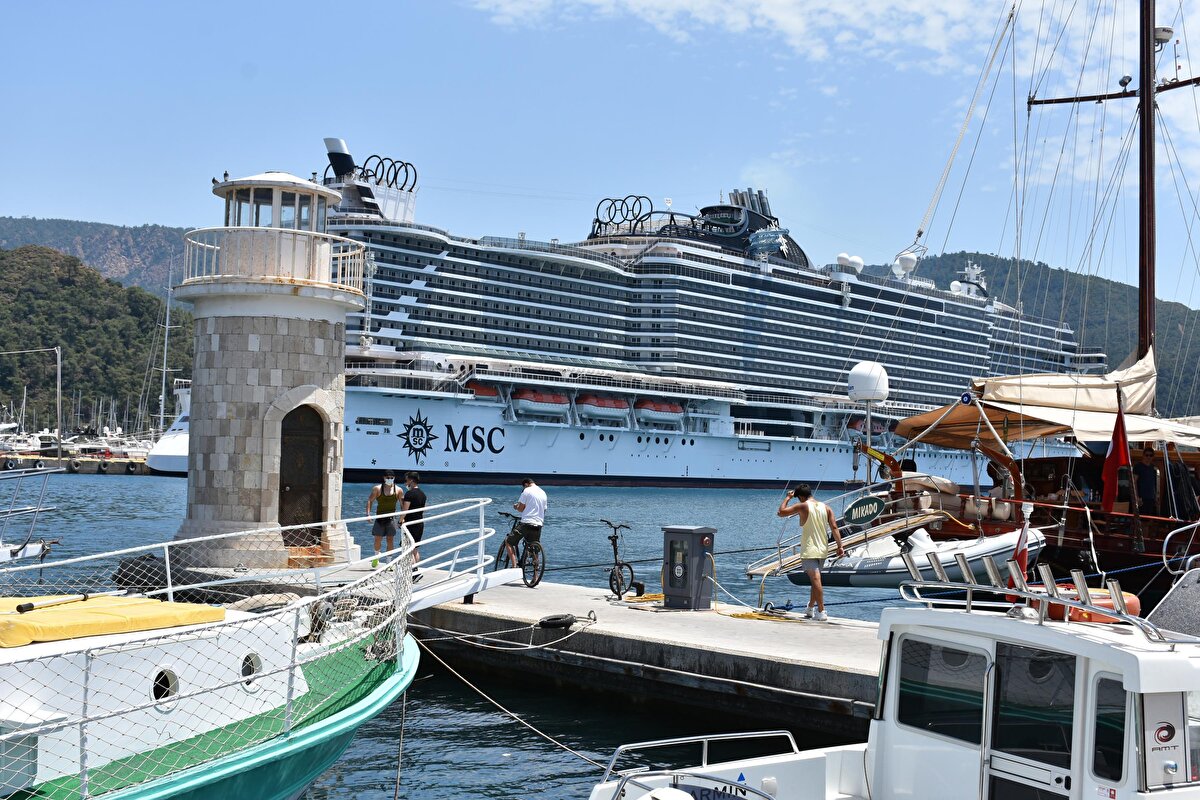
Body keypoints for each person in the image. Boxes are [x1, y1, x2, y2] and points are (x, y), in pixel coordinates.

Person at [777, 484, 845, 621]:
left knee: (816, 580)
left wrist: (788, 498)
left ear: (801, 497)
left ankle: (821, 611)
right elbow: (834, 527)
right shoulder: (826, 507)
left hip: (809, 549)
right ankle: (810, 608)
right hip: (822, 548)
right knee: (816, 580)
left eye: (798, 498)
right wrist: (840, 546)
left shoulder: (803, 506)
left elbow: (781, 512)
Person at [506, 478, 547, 567]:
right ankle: (535, 577)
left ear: (526, 484)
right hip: (538, 524)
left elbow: (521, 509)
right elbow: (544, 510)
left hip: (526, 523)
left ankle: (514, 566)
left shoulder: (527, 491)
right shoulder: (543, 493)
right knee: (534, 549)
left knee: (508, 542)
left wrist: (516, 506)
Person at [366, 470, 401, 567]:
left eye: (391, 478)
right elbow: (370, 500)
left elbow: (403, 505)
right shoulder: (377, 489)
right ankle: (376, 556)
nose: (389, 479)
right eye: (387, 478)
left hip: (391, 518)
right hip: (379, 518)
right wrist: (368, 514)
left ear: (394, 478)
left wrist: (402, 518)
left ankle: (389, 562)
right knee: (377, 539)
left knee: (390, 540)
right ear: (384, 478)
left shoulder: (398, 490)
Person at [401, 471, 427, 566]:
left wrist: (400, 521)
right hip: (419, 523)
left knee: (408, 548)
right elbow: (423, 509)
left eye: (406, 480)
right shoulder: (422, 494)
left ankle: (413, 571)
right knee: (415, 549)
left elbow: (405, 510)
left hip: (410, 524)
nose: (405, 482)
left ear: (411, 480)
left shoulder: (409, 494)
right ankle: (416, 571)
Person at [1132, 448, 1159, 516]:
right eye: (1147, 455)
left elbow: (1154, 484)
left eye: (1151, 455)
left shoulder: (1153, 468)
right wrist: (1137, 497)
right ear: (1143, 455)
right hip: (1141, 498)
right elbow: (1134, 482)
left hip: (1151, 498)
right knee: (1142, 519)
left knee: (1149, 519)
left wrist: (1155, 497)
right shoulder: (1138, 467)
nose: (1148, 457)